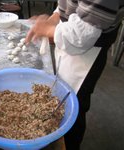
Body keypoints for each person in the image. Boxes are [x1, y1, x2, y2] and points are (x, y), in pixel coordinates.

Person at [25, 0, 124, 150]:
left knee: (74, 107)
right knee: (60, 97)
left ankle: (70, 144)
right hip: (76, 41)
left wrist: (49, 30)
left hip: (89, 51)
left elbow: (82, 35)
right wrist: (56, 16)